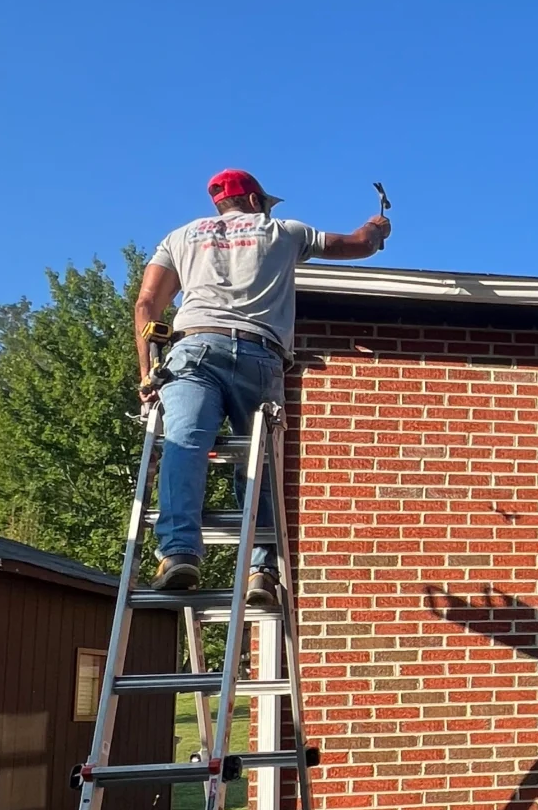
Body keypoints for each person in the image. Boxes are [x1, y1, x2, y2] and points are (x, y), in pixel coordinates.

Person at [134, 170, 390, 599]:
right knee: (259, 463)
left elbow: (147, 303)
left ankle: (178, 553)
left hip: (193, 348)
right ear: (254, 201)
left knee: (184, 444)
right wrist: (376, 228)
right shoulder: (284, 231)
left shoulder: (178, 238)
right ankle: (262, 572)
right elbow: (357, 245)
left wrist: (148, 373)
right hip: (258, 355)